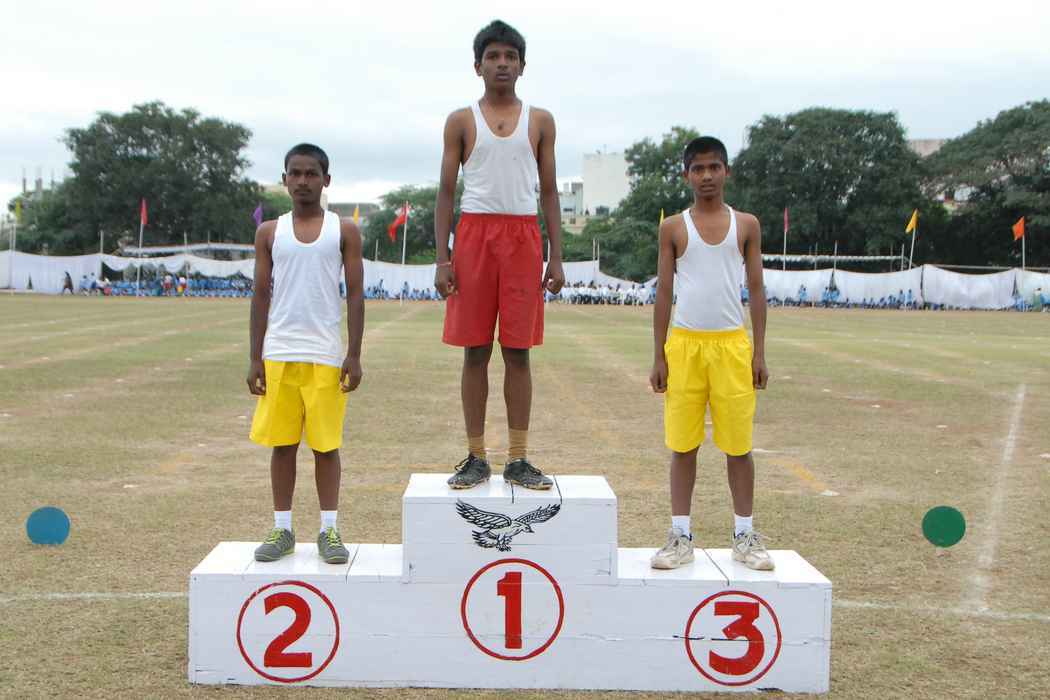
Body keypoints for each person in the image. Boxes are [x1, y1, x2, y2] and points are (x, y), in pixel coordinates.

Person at [434, 20, 565, 490]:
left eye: (510, 56)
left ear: (523, 66)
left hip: (523, 237)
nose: (502, 63)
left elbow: (550, 191)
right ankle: (475, 456)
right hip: (474, 236)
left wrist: (556, 255)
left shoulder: (540, 121)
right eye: (493, 56)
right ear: (478, 66)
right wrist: (443, 258)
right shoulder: (461, 121)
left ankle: (519, 457)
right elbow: (446, 192)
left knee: (518, 352)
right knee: (474, 350)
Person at [649, 136, 773, 571]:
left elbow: (756, 288)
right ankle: (680, 536)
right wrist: (659, 355)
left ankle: (745, 536)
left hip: (731, 346)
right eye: (698, 169)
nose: (706, 176)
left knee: (738, 446)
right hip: (685, 346)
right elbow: (663, 292)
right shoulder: (673, 228)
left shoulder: (747, 225)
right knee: (683, 445)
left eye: (714, 167)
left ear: (726, 171)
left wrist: (759, 352)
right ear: (686, 175)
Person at [247, 143, 365, 564]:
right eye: (294, 173)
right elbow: (261, 295)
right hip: (279, 353)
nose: (302, 181)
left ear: (326, 180)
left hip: (325, 355)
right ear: (284, 180)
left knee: (325, 447)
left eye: (311, 173)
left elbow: (355, 294)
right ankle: (282, 529)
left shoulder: (343, 230)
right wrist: (255, 357)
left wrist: (354, 354)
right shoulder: (269, 232)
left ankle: (329, 530)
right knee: (282, 445)